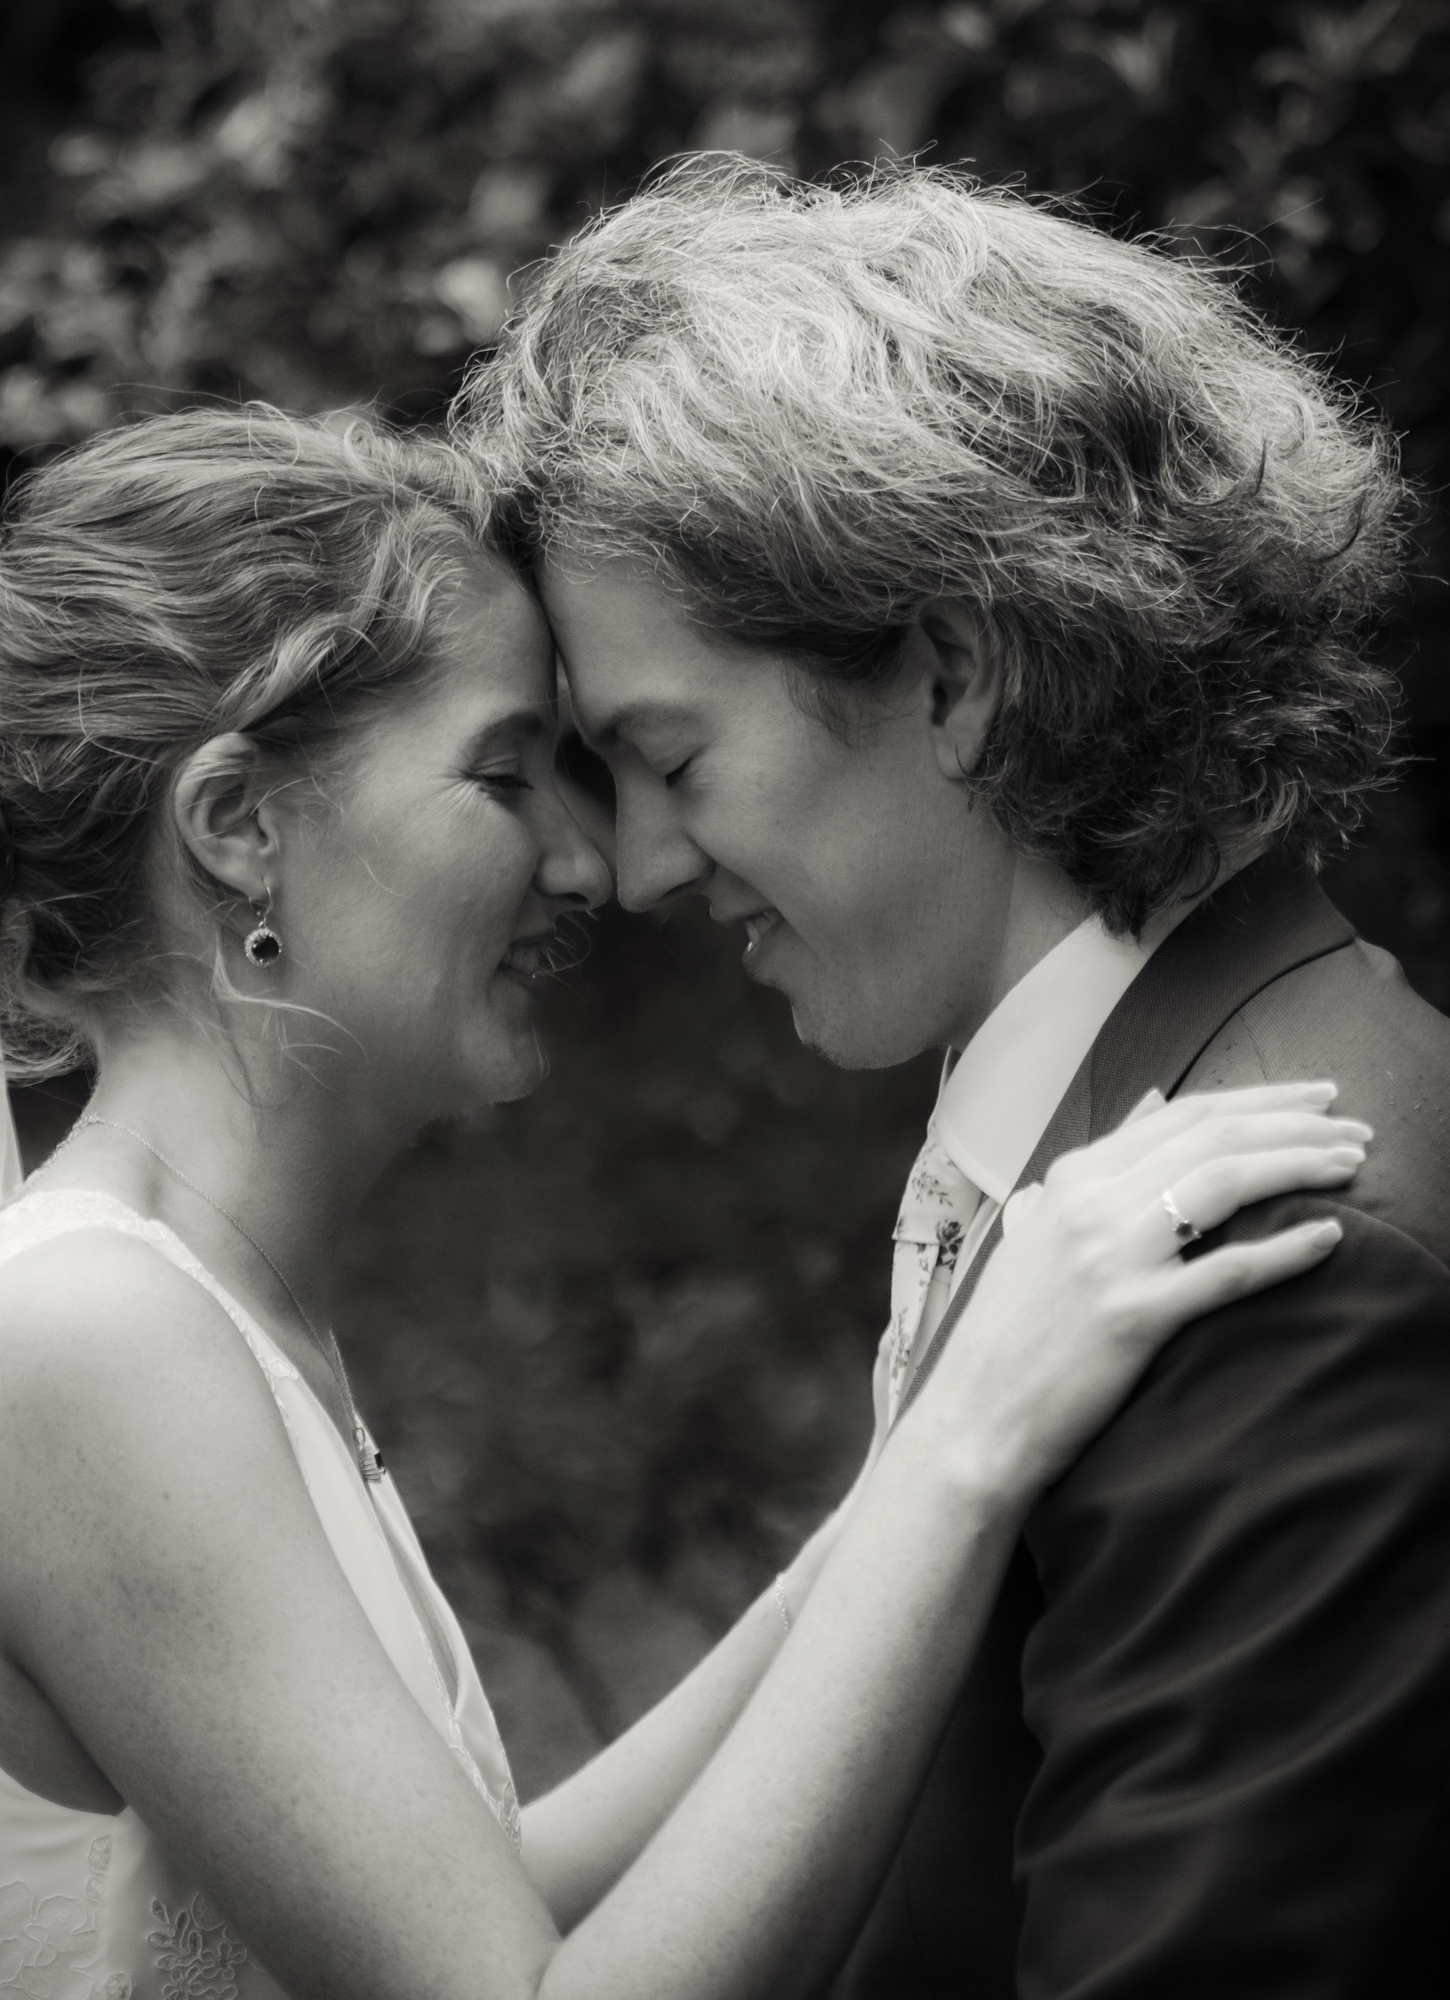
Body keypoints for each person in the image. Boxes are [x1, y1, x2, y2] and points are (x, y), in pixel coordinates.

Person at [0, 408, 1362, 2000]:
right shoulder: (91, 1342)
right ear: (237, 828)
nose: (591, 865)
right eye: (507, 775)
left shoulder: (185, 1303)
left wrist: (908, 1461)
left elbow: (481, 1891)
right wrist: (963, 1459)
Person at [461, 159, 1450, 1998]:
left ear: (962, 677)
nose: (651, 867)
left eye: (671, 757)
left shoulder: (1295, 1260)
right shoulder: (1110, 1113)